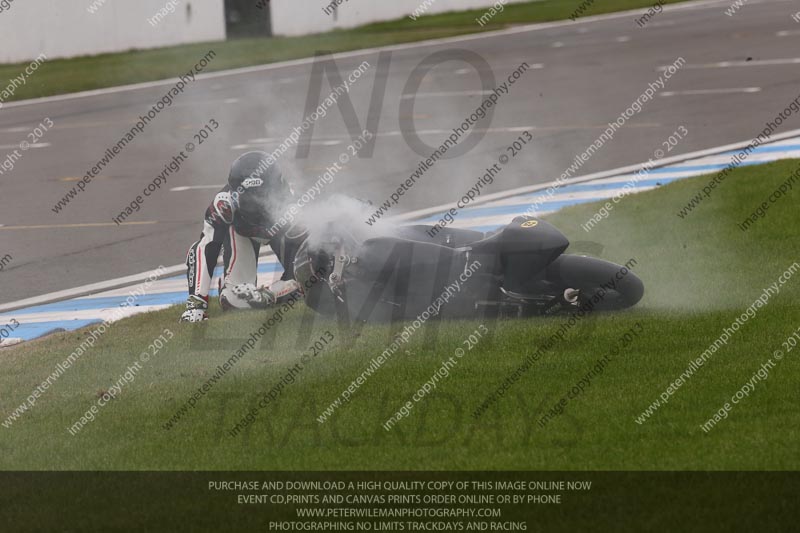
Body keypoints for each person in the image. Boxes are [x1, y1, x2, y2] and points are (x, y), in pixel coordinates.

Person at [180, 151, 306, 322]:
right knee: (233, 298)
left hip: (282, 236)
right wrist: (196, 304)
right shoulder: (223, 205)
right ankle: (242, 286)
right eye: (249, 199)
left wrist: (295, 282)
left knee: (307, 280)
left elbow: (310, 247)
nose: (255, 205)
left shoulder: (292, 203)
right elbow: (204, 249)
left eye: (260, 197)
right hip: (241, 235)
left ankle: (271, 295)